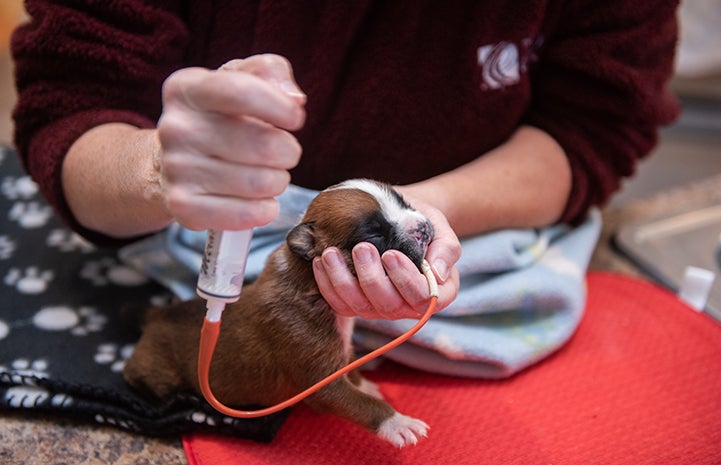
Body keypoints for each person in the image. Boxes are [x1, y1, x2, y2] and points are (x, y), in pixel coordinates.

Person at [11, 1, 680, 324]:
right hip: (155, 268)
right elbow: (72, 110)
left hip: (484, 269)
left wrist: (427, 209)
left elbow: (593, 126)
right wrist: (156, 169)